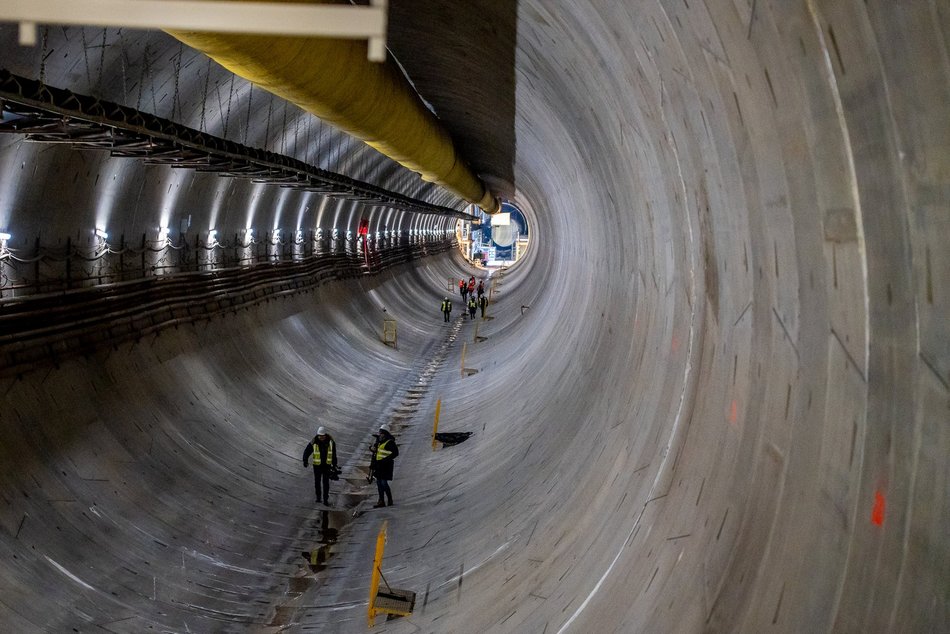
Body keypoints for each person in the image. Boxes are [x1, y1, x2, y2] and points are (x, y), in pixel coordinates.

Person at [302, 426, 338, 505]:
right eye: (320, 436)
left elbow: (334, 454)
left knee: (326, 483)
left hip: (326, 466)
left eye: (322, 436)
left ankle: (325, 499)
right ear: (318, 435)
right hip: (317, 466)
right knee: (317, 482)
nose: (321, 438)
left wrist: (334, 464)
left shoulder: (331, 442)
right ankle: (318, 497)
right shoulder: (314, 441)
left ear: (325, 435)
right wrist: (305, 460)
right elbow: (307, 451)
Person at [370, 424, 398, 507]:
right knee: (379, 483)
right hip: (379, 466)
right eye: (380, 433)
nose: (380, 434)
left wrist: (386, 460)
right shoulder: (379, 442)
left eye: (381, 433)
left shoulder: (390, 442)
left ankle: (389, 499)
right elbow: (375, 452)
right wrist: (372, 449)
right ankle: (381, 501)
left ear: (385, 434)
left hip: (386, 466)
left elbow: (395, 453)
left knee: (384, 483)